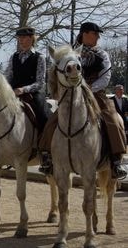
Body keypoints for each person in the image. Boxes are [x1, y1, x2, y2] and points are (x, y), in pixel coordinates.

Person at [39, 22, 127, 179]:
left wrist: (87, 89)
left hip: (96, 94)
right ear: (85, 34)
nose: (98, 37)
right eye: (95, 34)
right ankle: (47, 157)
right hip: (71, 94)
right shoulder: (71, 54)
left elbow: (106, 78)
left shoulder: (102, 54)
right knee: (53, 119)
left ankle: (116, 161)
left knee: (112, 118)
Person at [5, 27, 49, 135]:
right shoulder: (14, 56)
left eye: (23, 37)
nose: (20, 40)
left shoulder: (40, 57)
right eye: (19, 37)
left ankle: (42, 141)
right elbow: (8, 75)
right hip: (13, 91)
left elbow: (40, 82)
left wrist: (24, 89)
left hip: (32, 93)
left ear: (31, 38)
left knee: (42, 114)